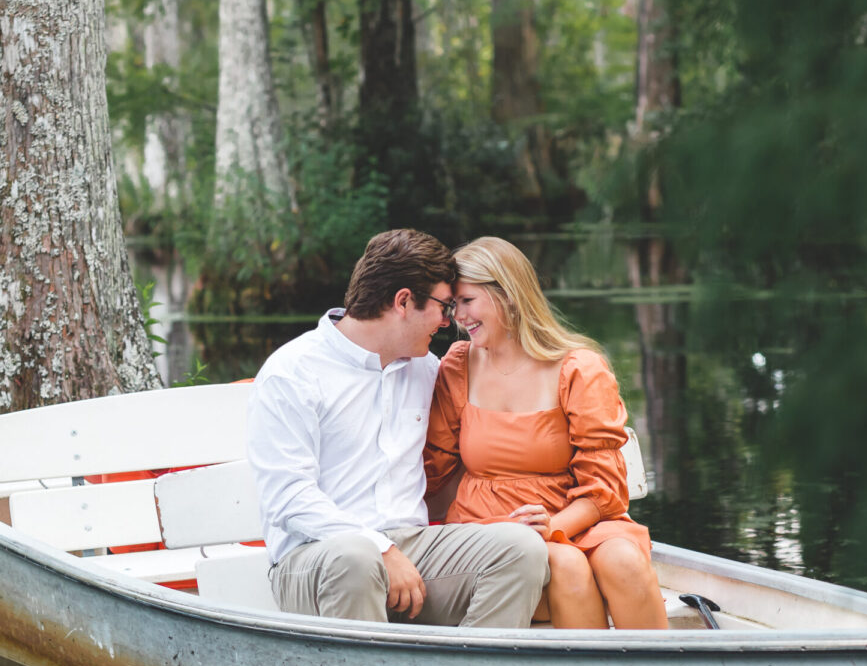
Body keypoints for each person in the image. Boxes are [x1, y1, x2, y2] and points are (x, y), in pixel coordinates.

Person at [246, 229, 549, 626]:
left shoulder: (428, 371)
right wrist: (381, 549)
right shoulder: (293, 373)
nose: (448, 322)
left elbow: (472, 459)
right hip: (317, 556)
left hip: (414, 549)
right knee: (355, 559)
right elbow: (288, 498)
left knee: (520, 548)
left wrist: (512, 513)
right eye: (443, 307)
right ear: (403, 301)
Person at [424, 236, 668, 630]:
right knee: (566, 564)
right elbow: (432, 469)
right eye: (451, 306)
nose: (456, 318)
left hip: (578, 517)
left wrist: (554, 527)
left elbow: (604, 487)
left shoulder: (579, 368)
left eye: (467, 302)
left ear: (508, 294)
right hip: (491, 528)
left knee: (623, 561)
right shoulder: (458, 365)